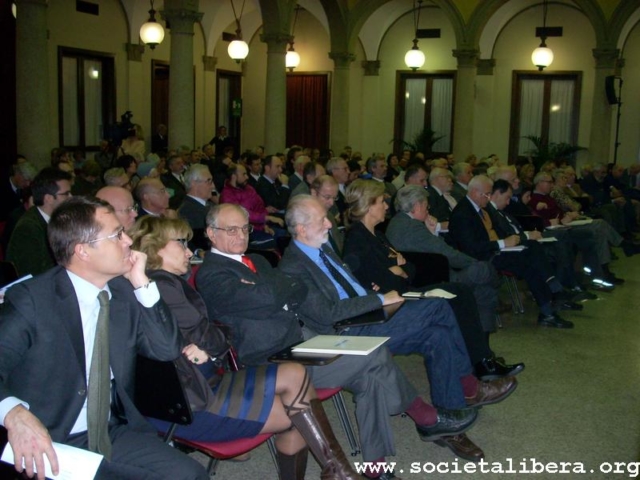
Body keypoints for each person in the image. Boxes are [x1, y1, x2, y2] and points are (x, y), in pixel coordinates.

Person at [197, 204, 481, 471]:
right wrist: (275, 291)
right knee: (374, 354)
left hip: (300, 342)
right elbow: (269, 297)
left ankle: (375, 466)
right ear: (211, 233)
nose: (241, 235)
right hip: (269, 360)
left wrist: (273, 291)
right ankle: (425, 416)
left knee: (371, 374)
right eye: (231, 230)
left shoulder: (258, 260)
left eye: (245, 228)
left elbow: (289, 291)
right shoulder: (211, 274)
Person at [279, 196, 519, 461]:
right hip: (346, 332)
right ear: (301, 229)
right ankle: (468, 386)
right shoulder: (293, 266)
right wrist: (379, 299)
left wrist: (372, 293)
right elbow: (326, 315)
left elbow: (346, 285)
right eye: (321, 219)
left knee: (436, 335)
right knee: (438, 307)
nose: (329, 223)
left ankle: (448, 419)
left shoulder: (322, 246)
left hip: (367, 314)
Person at [130, 216, 362, 480]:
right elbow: (215, 337)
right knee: (297, 411)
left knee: (295, 378)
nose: (188, 251)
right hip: (194, 400)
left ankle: (339, 472)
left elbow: (219, 331)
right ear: (155, 246)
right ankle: (340, 473)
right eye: (181, 243)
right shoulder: (161, 286)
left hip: (203, 382)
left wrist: (212, 341)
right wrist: (213, 341)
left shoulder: (165, 283)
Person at [0, 196, 208, 480]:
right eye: (116, 235)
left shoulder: (123, 293)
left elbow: (165, 349)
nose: (127, 241)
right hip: (46, 437)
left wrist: (143, 284)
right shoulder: (33, 300)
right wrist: (15, 416)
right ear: (83, 251)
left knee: (191, 474)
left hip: (109, 429)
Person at [449, 175, 574, 328]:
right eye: (487, 194)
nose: (489, 198)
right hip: (483, 258)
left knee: (532, 254)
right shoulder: (463, 213)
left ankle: (548, 307)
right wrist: (503, 243)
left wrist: (508, 242)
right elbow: (471, 247)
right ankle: (553, 294)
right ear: (475, 192)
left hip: (495, 251)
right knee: (530, 260)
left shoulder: (481, 208)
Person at [6, 168, 73, 277]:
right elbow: (35, 274)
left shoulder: (59, 219)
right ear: (49, 198)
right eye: (66, 194)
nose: (71, 197)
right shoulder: (28, 228)